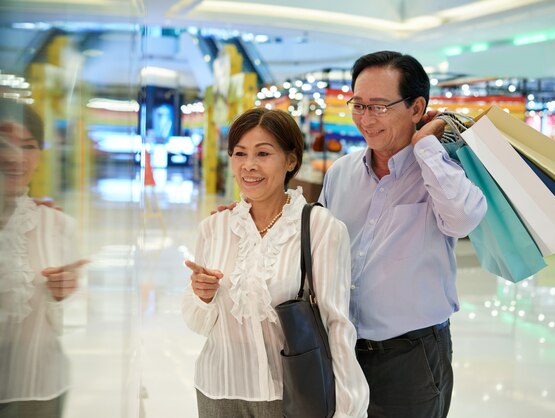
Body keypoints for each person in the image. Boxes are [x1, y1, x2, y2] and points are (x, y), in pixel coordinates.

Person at [318, 51, 488, 418]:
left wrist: (425, 145)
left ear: (416, 108)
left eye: (379, 107)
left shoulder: (444, 172)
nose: (365, 118)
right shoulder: (341, 173)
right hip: (340, 349)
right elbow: (314, 246)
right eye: (358, 105)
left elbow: (462, 221)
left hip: (411, 357)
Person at [182, 108, 368, 417]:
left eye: (263, 153)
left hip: (292, 395)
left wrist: (348, 407)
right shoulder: (214, 228)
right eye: (239, 154)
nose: (249, 166)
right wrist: (202, 297)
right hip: (218, 390)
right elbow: (197, 323)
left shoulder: (320, 228)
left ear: (291, 160)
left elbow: (336, 324)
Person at [0, 98, 87, 418]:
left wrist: (65, 295)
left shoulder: (57, 225)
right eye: (4, 142)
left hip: (37, 388)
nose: (14, 157)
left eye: (28, 146)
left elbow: (79, 320)